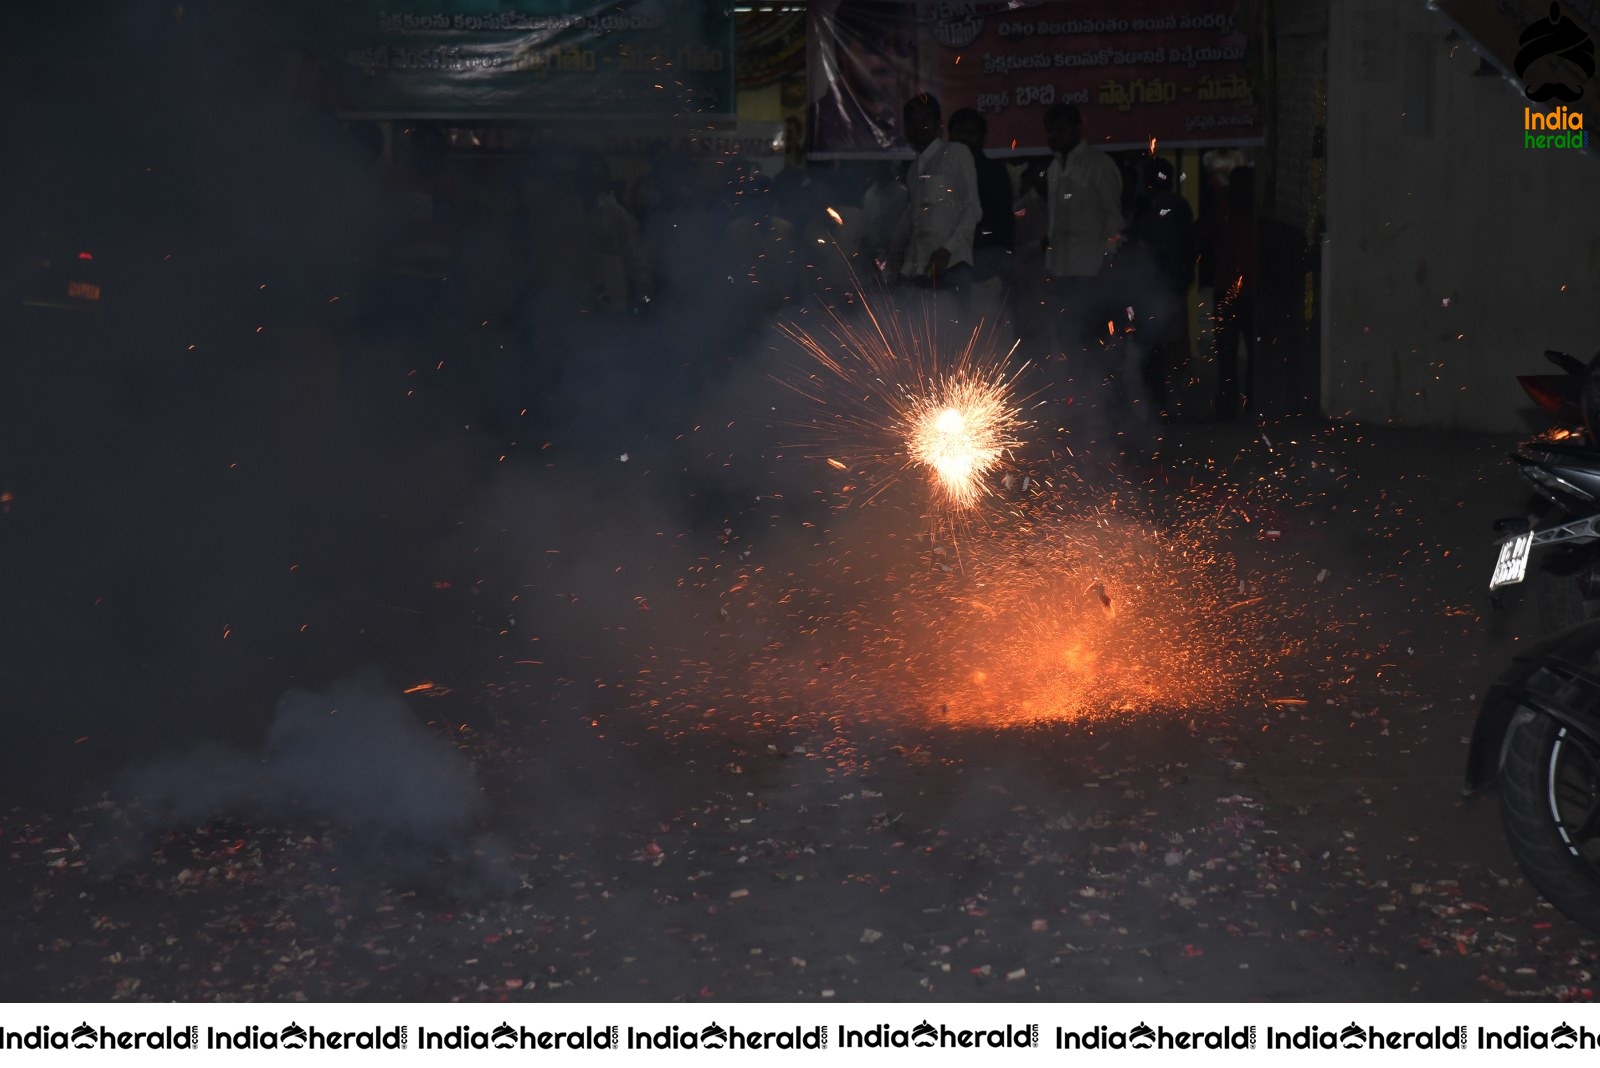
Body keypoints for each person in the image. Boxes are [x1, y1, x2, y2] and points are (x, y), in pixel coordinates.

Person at [1041, 103, 1124, 361]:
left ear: (1077, 129)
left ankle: (1106, 399)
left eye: (1061, 129)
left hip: (1092, 272)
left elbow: (1115, 220)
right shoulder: (1054, 169)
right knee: (1068, 341)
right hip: (1062, 272)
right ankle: (1079, 397)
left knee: (1094, 342)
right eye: (1050, 131)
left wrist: (1108, 261)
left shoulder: (1098, 165)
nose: (1055, 136)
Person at [1122, 156, 1196, 418]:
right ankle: (1162, 403)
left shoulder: (1169, 207)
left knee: (1169, 349)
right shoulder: (1148, 208)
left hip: (1165, 289)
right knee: (1155, 349)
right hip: (1152, 290)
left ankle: (1172, 404)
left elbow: (1177, 250)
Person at [894, 93, 981, 313]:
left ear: (938, 125)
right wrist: (904, 270)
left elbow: (973, 209)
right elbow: (916, 224)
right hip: (921, 272)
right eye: (912, 124)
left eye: (924, 122)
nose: (917, 129)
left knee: (956, 337)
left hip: (953, 266)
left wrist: (947, 249)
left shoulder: (957, 154)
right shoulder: (914, 170)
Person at [947, 107, 1015, 318]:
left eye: (971, 133)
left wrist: (1002, 257)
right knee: (950, 319)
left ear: (982, 137)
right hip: (949, 260)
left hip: (985, 259)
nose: (966, 138)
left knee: (984, 323)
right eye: (960, 132)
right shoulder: (943, 171)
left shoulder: (993, 172)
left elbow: (1005, 220)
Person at [1210, 167, 1256, 420]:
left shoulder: (1233, 217)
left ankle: (1238, 404)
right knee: (1230, 354)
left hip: (1240, 293)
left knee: (1233, 354)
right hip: (1235, 293)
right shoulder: (1227, 216)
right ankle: (1236, 404)